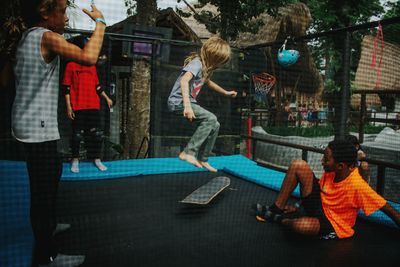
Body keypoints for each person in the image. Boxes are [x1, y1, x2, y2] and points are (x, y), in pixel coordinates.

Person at [8, 0, 106, 266]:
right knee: (43, 190)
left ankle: (48, 227)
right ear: (45, 13)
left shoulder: (26, 37)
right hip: (36, 128)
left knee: (51, 176)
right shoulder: (47, 38)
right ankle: (46, 256)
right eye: (62, 11)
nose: (65, 17)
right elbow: (89, 58)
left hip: (27, 123)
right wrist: (100, 22)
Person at [253, 140, 400, 240]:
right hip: (319, 205)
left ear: (340, 166)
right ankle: (277, 209)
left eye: (326, 159)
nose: (322, 162)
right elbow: (317, 188)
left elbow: (389, 209)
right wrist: (297, 206)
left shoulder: (358, 186)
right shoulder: (331, 172)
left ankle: (281, 220)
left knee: (300, 226)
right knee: (299, 164)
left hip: (333, 222)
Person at [167, 37, 237, 172]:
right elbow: (184, 81)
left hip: (187, 102)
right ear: (212, 56)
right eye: (218, 61)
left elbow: (208, 82)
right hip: (179, 102)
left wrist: (226, 93)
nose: (219, 65)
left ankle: (203, 159)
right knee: (210, 118)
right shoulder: (197, 63)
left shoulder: (205, 68)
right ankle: (188, 152)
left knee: (215, 125)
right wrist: (187, 107)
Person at [63, 35, 113, 173]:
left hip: (93, 105)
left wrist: (107, 98)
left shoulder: (91, 66)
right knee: (77, 135)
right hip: (78, 106)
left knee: (97, 134)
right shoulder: (71, 65)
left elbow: (97, 86)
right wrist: (69, 106)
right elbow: (66, 88)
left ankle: (96, 159)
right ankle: (75, 159)